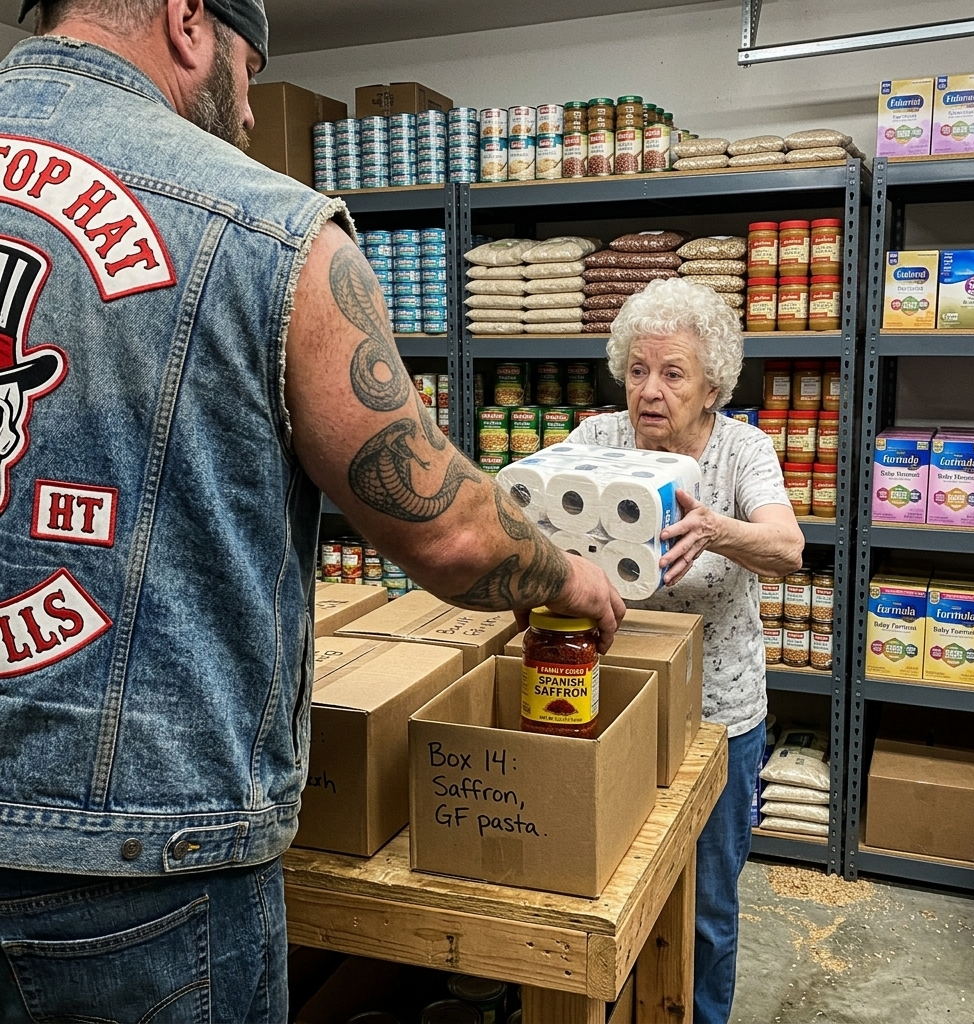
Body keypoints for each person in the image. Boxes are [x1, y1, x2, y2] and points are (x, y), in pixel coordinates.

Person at [0, 1, 624, 1020]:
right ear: (189, 20)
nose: (249, 112)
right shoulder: (266, 226)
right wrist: (565, 572)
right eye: (251, 71)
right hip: (140, 873)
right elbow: (449, 529)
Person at [567, 277, 805, 1024]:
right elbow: (529, 504)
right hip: (611, 704)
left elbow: (789, 547)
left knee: (705, 902)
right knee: (606, 890)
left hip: (717, 718)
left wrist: (718, 530)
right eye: (639, 370)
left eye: (673, 374)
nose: (650, 390)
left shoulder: (740, 451)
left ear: (712, 389)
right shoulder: (597, 441)